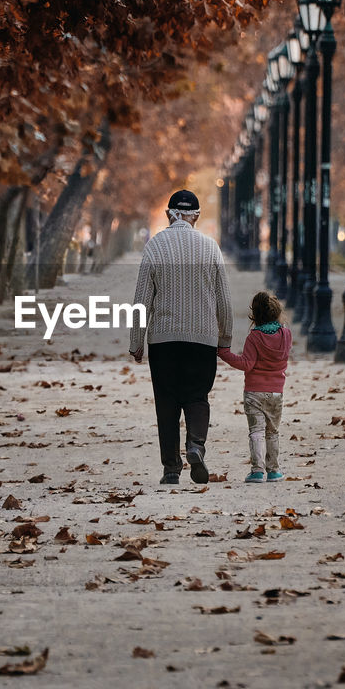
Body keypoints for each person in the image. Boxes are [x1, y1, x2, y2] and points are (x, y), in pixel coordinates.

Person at [129, 190, 233, 485]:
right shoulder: (210, 248)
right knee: (197, 397)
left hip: (164, 342)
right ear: (196, 217)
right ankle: (196, 446)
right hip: (202, 339)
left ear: (168, 215)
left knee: (167, 403)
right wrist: (224, 338)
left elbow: (141, 301)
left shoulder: (154, 247)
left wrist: (136, 341)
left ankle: (171, 469)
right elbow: (224, 300)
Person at [217, 291, 292, 483]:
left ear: (255, 315)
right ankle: (274, 470)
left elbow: (246, 364)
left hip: (254, 392)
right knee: (272, 431)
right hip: (276, 392)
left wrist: (224, 353)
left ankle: (257, 471)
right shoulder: (286, 334)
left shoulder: (255, 337)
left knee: (256, 431)